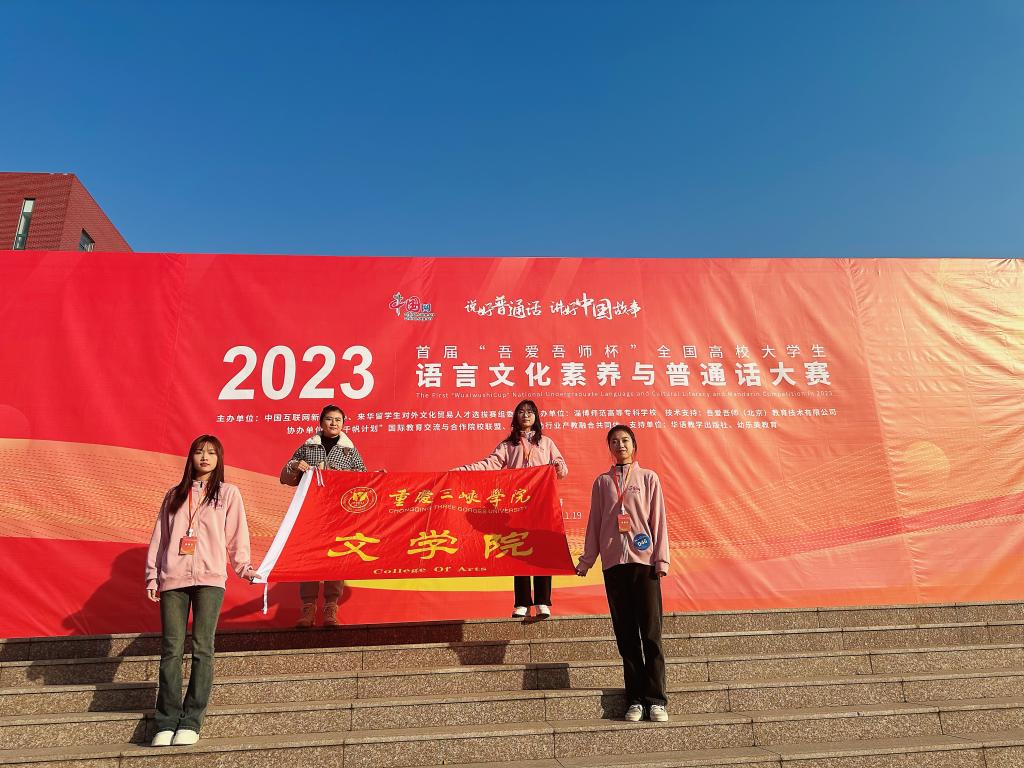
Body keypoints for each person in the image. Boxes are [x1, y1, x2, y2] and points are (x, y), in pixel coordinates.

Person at [145, 435, 256, 747]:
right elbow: (160, 537)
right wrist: (153, 576)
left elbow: (237, 536)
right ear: (190, 457)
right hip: (173, 578)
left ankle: (191, 721)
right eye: (199, 451)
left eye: (211, 452)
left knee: (203, 648)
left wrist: (244, 568)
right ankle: (166, 721)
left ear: (219, 458)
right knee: (171, 649)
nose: (205, 457)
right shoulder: (174, 495)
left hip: (210, 579)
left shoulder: (228, 493)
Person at [575, 424, 670, 723]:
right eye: (615, 441)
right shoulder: (602, 483)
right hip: (614, 565)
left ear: (634, 445)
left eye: (625, 440)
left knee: (651, 634)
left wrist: (661, 560)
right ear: (609, 447)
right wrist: (587, 560)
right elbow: (594, 523)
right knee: (626, 635)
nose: (620, 445)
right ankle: (636, 701)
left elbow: (658, 520)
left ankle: (656, 700)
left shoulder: (648, 478)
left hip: (644, 564)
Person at [453, 399, 568, 618]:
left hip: (542, 505)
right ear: (516, 417)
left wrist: (557, 466)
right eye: (521, 412)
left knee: (542, 552)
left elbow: (563, 472)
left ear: (536, 417)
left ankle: (542, 602)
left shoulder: (546, 442)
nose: (526, 415)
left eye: (530, 412)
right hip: (517, 507)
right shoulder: (508, 445)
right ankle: (522, 602)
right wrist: (462, 470)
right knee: (519, 550)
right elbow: (489, 464)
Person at [280, 404, 366, 627]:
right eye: (329, 419)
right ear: (321, 422)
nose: (333, 423)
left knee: (335, 559)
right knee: (309, 559)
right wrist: (295, 466)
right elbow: (285, 477)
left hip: (338, 514)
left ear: (343, 424)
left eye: (338, 420)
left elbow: (362, 480)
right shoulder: (308, 446)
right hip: (311, 512)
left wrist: (375, 477)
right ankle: (308, 609)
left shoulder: (350, 451)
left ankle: (330, 608)